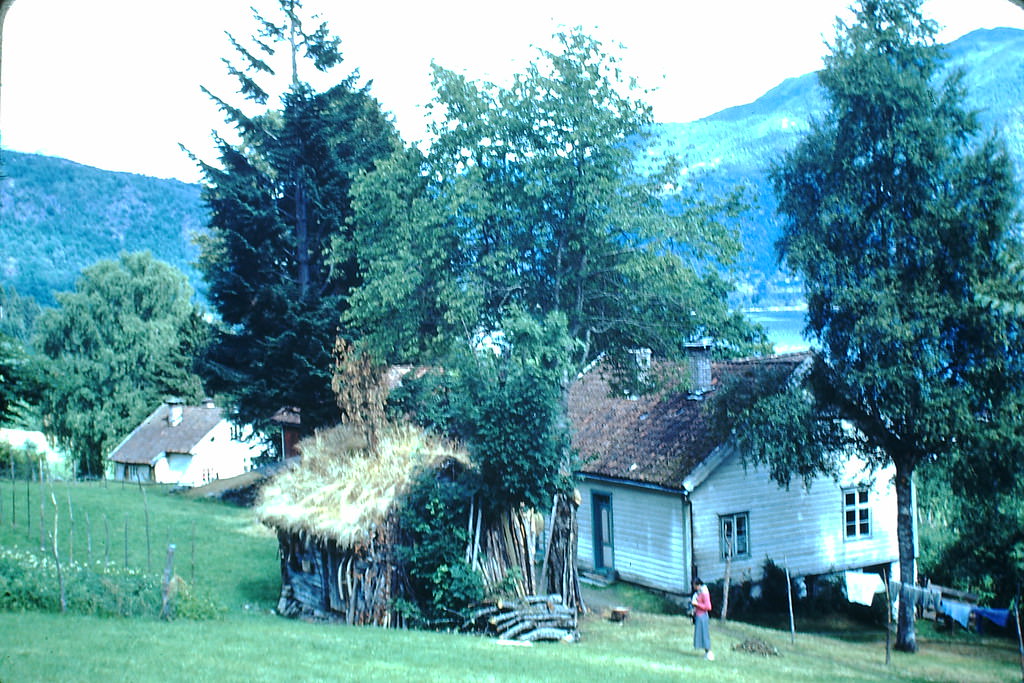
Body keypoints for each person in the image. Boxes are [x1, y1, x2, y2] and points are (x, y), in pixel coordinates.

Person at [691, 577, 714, 661]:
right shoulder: (699, 592)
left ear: (698, 585)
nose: (694, 587)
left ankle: (709, 653)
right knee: (701, 635)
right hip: (698, 616)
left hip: (703, 616)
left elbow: (708, 607)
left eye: (694, 585)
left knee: (705, 635)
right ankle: (706, 652)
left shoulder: (704, 592)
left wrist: (697, 604)